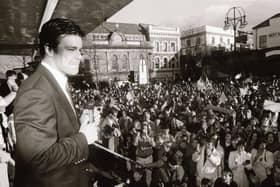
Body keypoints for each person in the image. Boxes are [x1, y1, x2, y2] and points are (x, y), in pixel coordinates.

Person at [13, 18, 99, 187]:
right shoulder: (36, 91)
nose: (79, 57)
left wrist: (77, 126)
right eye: (71, 49)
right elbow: (38, 159)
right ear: (49, 49)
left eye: (80, 50)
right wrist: (83, 138)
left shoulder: (53, 82)